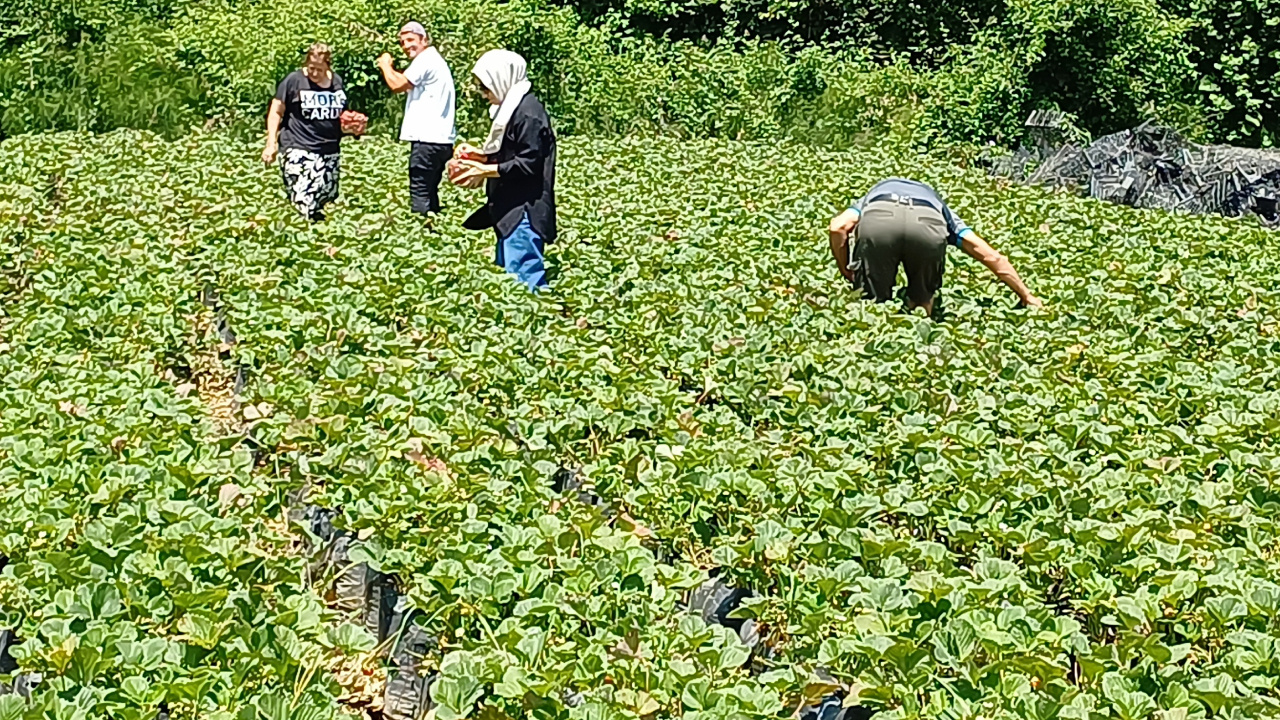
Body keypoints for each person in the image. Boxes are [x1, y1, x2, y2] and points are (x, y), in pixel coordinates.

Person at [828, 178, 1042, 314]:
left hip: (879, 220)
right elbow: (989, 255)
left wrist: (846, 268)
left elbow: (838, 227)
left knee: (870, 306)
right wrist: (1026, 295)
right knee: (922, 302)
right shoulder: (939, 207)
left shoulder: (873, 196)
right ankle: (919, 346)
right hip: (927, 224)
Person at [452, 50, 556, 291]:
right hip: (508, 207)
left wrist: (484, 169)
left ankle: (541, 322)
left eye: (486, 87)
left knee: (524, 280)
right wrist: (480, 155)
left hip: (525, 209)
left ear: (502, 79)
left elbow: (529, 163)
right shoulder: (511, 110)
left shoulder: (528, 115)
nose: (483, 94)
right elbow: (511, 151)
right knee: (508, 280)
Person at [376, 22, 456, 215]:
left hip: (426, 140)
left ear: (424, 40)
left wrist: (385, 65)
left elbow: (397, 84)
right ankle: (434, 231)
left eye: (411, 40)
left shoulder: (426, 60)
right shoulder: (435, 61)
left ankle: (421, 232)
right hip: (441, 140)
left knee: (420, 191)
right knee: (430, 191)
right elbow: (405, 82)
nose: (406, 46)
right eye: (402, 42)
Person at [262, 43, 348, 222]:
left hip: (330, 151)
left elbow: (340, 116)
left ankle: (321, 244)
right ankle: (298, 240)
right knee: (303, 202)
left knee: (325, 202)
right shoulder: (294, 81)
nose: (315, 74)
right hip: (298, 147)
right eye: (311, 68)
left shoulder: (337, 82)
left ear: (328, 66)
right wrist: (271, 143)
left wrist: (352, 126)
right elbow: (276, 111)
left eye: (320, 69)